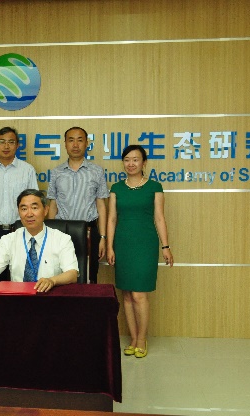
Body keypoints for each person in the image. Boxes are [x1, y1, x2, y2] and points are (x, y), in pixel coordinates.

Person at [106, 144, 174, 358]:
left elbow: (159, 218)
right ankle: (134, 338)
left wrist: (165, 246)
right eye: (127, 160)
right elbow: (111, 219)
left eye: (135, 159)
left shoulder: (154, 186)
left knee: (139, 294)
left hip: (145, 244)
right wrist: (109, 246)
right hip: (123, 243)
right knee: (126, 294)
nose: (131, 163)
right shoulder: (116, 188)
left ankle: (142, 339)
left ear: (144, 163)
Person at [0, 189, 78, 293]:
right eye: (24, 209)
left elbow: (72, 274)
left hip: (50, 296)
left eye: (34, 208)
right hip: (18, 297)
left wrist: (52, 281)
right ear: (19, 212)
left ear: (45, 210)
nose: (29, 214)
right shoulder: (8, 240)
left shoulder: (62, 239)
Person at [46, 126, 109, 283]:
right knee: (59, 276)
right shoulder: (56, 172)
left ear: (87, 143)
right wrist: (49, 235)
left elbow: (101, 205)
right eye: (71, 140)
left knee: (89, 278)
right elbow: (53, 204)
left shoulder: (97, 171)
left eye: (80, 140)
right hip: (61, 231)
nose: (75, 145)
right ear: (65, 144)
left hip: (88, 231)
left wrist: (102, 237)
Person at [0, 127, 39, 282]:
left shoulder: (27, 170)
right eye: (2, 142)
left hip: (20, 230)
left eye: (11, 142)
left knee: (21, 276)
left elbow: (34, 203)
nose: (6, 146)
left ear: (17, 145)